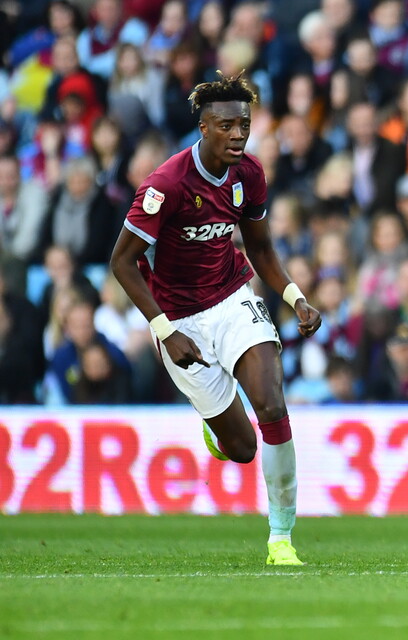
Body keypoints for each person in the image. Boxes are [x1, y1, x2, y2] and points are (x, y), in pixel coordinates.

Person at [109, 72, 322, 566]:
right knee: (243, 448)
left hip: (231, 298)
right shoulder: (166, 185)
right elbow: (121, 263)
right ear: (203, 128)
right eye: (226, 126)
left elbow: (260, 248)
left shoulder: (249, 173)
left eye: (243, 124)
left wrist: (295, 298)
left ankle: (281, 538)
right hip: (178, 320)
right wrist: (165, 331)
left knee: (272, 405)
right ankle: (220, 432)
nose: (238, 134)